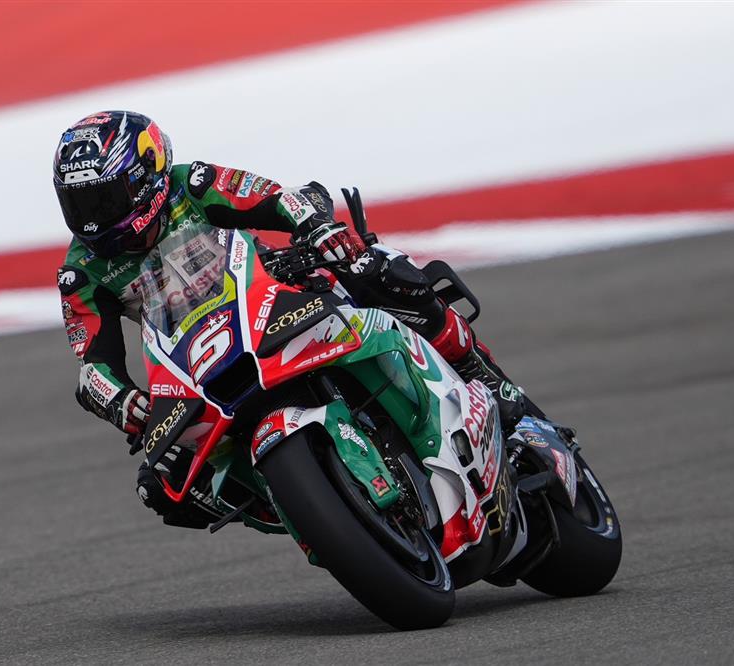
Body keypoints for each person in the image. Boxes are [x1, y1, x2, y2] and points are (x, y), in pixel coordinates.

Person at [54, 110, 526, 528]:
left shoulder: (190, 184)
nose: (92, 219)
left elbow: (278, 197)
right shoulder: (82, 273)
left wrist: (317, 228)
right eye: (79, 205)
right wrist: (121, 400)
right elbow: (94, 365)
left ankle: (489, 382)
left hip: (274, 295)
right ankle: (306, 507)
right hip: (199, 360)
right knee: (162, 484)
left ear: (146, 175)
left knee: (378, 271)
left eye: (104, 199)